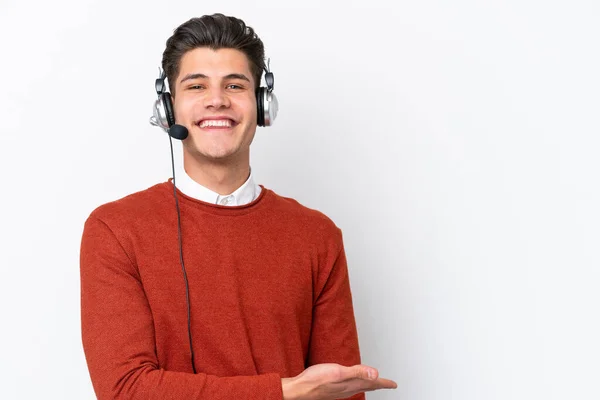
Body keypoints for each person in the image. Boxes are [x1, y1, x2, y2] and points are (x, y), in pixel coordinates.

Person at [80, 13, 397, 400]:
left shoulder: (317, 235)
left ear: (263, 104)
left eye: (235, 84)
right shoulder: (115, 229)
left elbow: (340, 391)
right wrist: (285, 391)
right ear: (169, 108)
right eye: (196, 86)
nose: (217, 100)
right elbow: (125, 390)